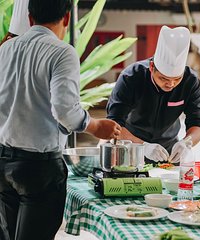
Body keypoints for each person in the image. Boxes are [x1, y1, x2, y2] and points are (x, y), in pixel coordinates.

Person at [0, 0, 121, 239]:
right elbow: (65, 110)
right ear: (66, 18)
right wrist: (96, 126)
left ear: (30, 18)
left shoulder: (4, 49)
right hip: (39, 167)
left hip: (3, 162)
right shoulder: (61, 52)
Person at [104, 25, 200, 164]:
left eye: (177, 79)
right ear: (152, 67)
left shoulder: (190, 81)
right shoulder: (131, 77)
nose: (170, 84)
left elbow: (198, 122)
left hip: (169, 151)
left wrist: (187, 143)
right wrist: (143, 146)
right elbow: (113, 124)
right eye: (163, 78)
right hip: (131, 147)